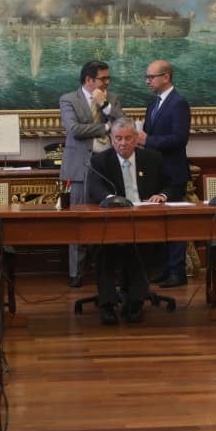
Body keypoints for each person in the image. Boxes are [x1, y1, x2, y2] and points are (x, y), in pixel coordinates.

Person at [87, 119, 169, 325]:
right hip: (111, 222)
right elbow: (95, 189)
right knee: (104, 251)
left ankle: (135, 303)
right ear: (111, 140)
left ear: (136, 139)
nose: (123, 143)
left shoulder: (153, 158)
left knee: (140, 249)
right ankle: (107, 305)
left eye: (128, 138)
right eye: (118, 138)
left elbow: (171, 184)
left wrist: (162, 195)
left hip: (144, 221)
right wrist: (110, 200)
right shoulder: (100, 161)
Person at [60, 60, 125, 288]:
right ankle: (76, 273)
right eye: (103, 79)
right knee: (78, 222)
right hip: (80, 168)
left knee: (109, 221)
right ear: (89, 80)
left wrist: (105, 105)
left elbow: (123, 124)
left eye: (108, 78)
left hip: (108, 169)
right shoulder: (69, 99)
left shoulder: (111, 99)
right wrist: (107, 127)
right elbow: (75, 130)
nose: (107, 82)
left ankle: (107, 272)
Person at [136, 59, 191, 287]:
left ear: (166, 77)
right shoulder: (153, 103)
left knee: (176, 224)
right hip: (155, 172)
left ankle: (178, 272)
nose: (147, 81)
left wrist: (149, 140)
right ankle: (167, 269)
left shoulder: (178, 103)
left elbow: (180, 139)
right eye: (147, 77)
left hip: (174, 172)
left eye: (151, 77)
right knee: (161, 224)